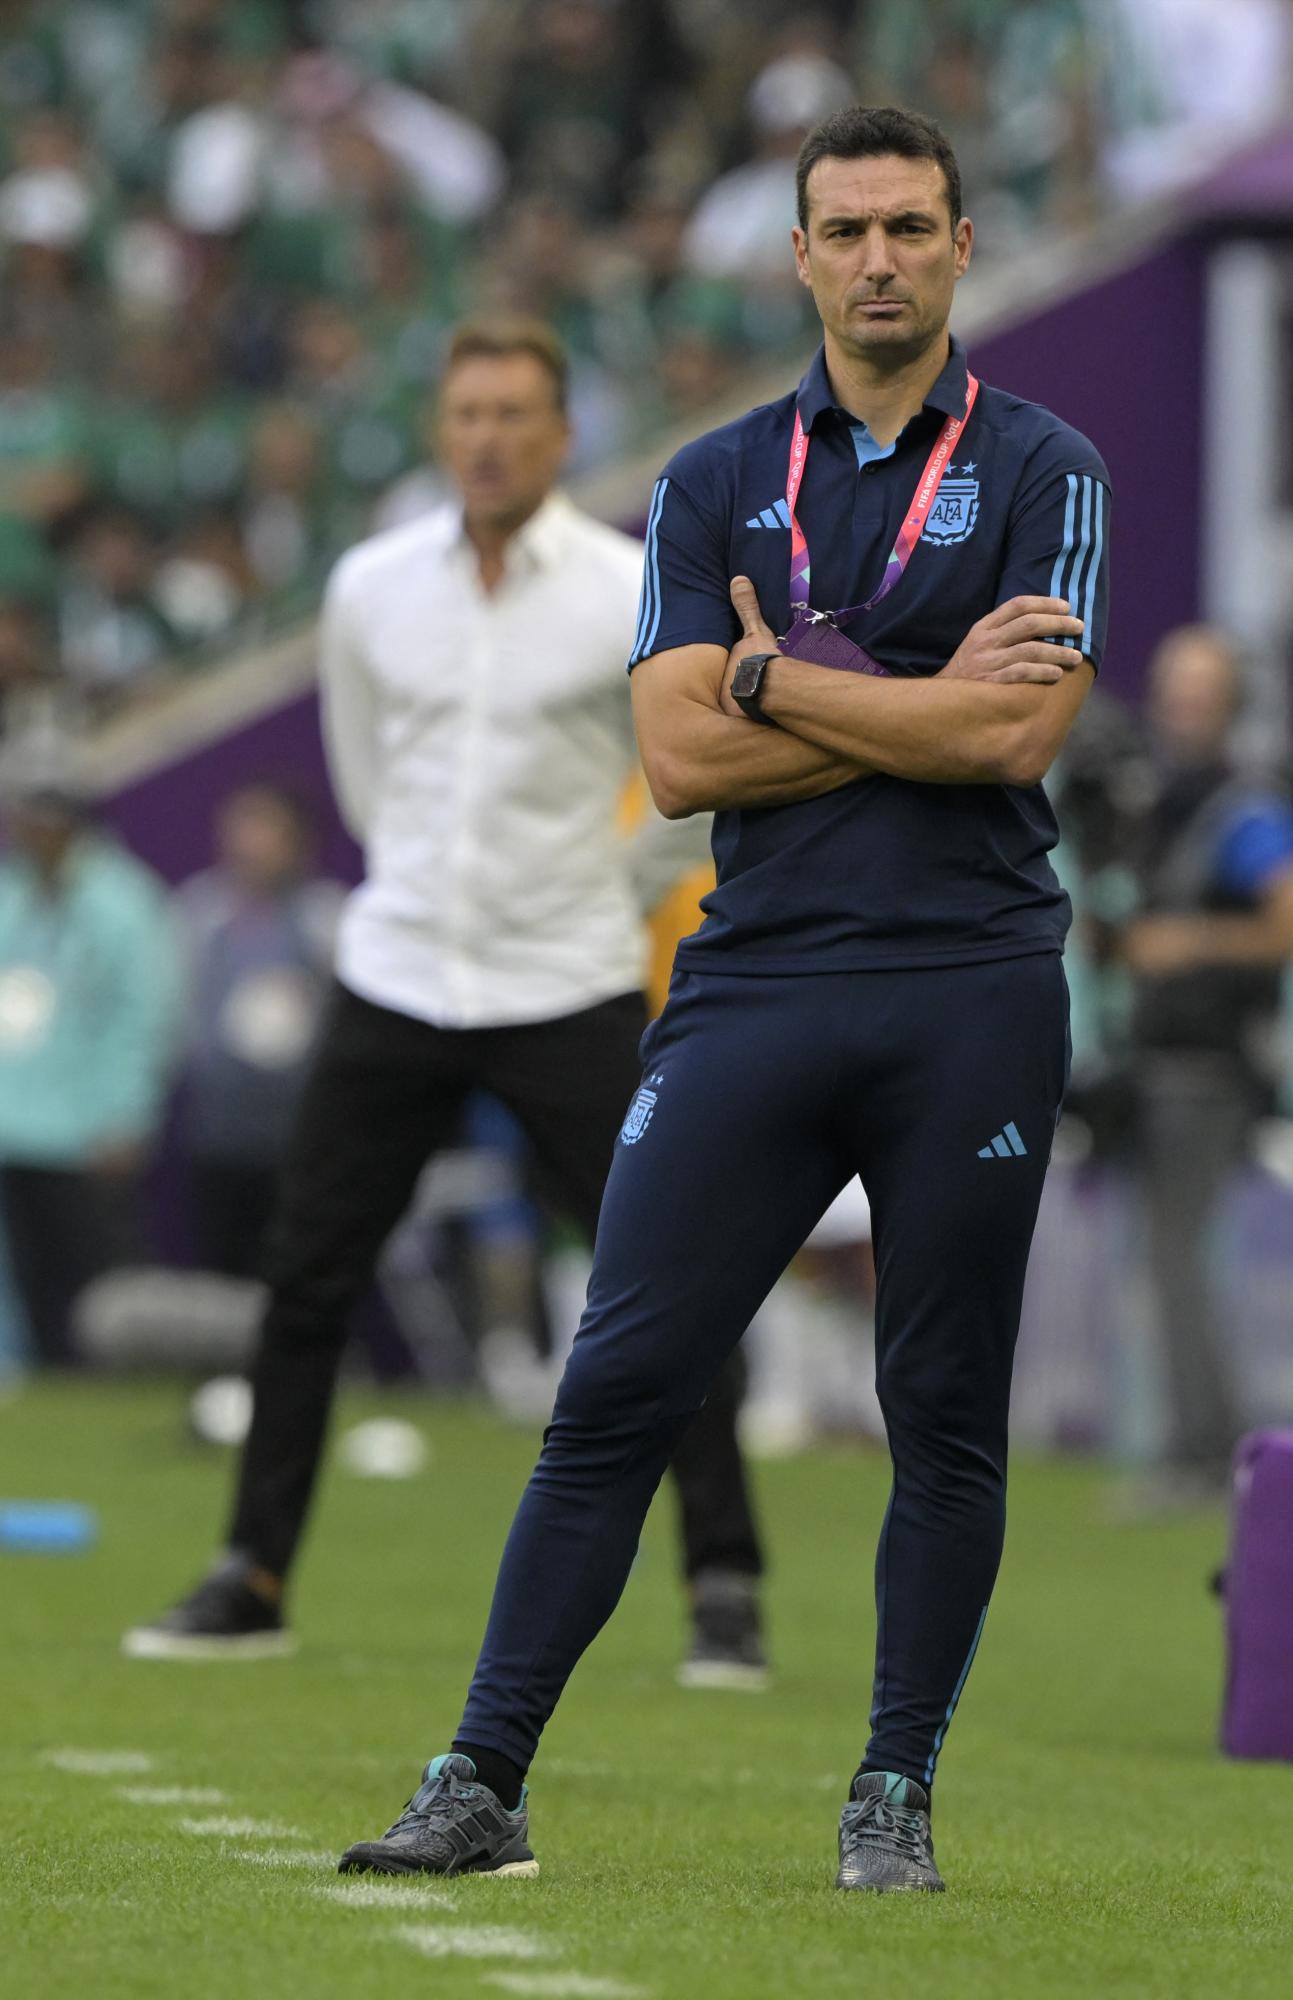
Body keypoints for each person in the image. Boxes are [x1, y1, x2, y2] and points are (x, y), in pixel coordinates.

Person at [337, 103, 1111, 1894]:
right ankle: (479, 1781)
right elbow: (678, 759)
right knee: (615, 1385)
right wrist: (887, 699)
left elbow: (1017, 730)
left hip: (969, 991)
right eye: (843, 230)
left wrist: (776, 673)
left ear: (960, 246)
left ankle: (890, 1797)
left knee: (939, 1410)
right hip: (750, 982)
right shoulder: (706, 477)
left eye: (909, 227)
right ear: (795, 255)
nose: (877, 260)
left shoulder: (1053, 467)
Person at [124, 317, 767, 1687]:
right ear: (440, 429)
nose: (486, 436)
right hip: (400, 970)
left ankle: (723, 1582)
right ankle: (251, 1576)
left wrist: (602, 879)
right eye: (466, 412)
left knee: (661, 1279)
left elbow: (682, 773)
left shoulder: (622, 587)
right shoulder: (368, 587)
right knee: (305, 1284)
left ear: (562, 434)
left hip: (564, 974)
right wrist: (430, 882)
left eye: (513, 414)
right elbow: (366, 781)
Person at [1115, 626, 1293, 1496]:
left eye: (1201, 690)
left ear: (1231, 703)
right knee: (1167, 1262)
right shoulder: (1160, 801)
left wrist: (1192, 941)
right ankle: (1199, 1445)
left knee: (1178, 1261)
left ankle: (1203, 1453)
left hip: (1211, 1066)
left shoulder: (1245, 812)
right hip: (1158, 1061)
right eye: (1174, 687)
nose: (1182, 705)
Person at [0, 739, 180, 1367]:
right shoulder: (9, 895)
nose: (28, 829)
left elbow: (147, 1018)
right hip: (14, 1129)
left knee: (100, 1291)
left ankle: (115, 1392)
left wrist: (126, 1116)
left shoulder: (125, 903)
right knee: (28, 1288)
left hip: (87, 1134)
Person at [174, 782, 344, 1280]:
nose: (248, 845)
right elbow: (182, 1015)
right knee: (225, 1267)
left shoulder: (326, 917)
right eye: (240, 830)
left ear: (297, 842)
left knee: (303, 1265)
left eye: (264, 831)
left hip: (304, 1134)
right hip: (221, 1132)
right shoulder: (199, 913)